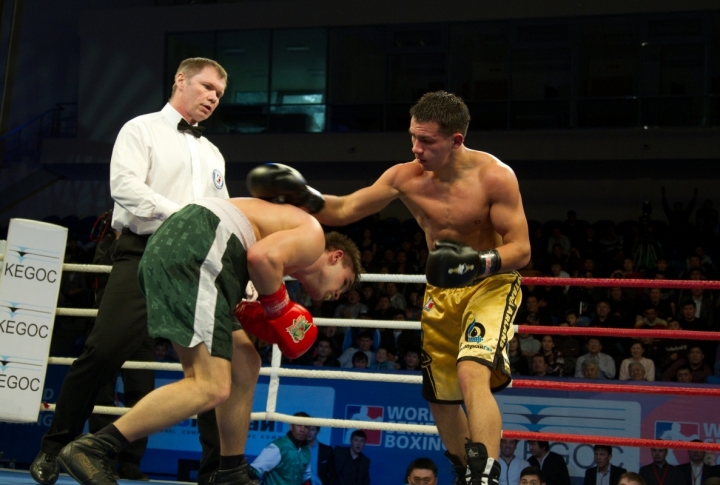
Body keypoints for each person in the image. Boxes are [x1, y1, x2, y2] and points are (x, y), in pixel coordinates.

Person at [251, 91, 530, 484]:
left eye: (427, 141)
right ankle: (463, 471)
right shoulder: (405, 177)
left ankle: (485, 475)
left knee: (471, 372)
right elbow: (345, 209)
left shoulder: (495, 177)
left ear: (456, 140)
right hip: (441, 291)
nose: (416, 149)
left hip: (489, 283)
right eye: (413, 138)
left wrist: (478, 261)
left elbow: (521, 249)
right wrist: (303, 195)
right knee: (441, 398)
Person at [55, 197, 361, 485]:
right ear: (336, 257)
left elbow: (256, 262)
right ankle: (95, 447)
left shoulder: (283, 253)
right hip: (202, 245)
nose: (337, 295)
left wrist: (259, 307)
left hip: (192, 249)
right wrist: (277, 308)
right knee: (210, 384)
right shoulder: (314, 236)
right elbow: (260, 257)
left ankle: (231, 470)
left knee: (246, 363)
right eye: (343, 282)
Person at [29, 57, 230, 485]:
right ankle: (55, 448)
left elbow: (222, 214)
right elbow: (123, 186)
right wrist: (184, 218)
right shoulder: (141, 129)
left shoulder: (213, 153)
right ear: (181, 81)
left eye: (219, 93)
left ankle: (216, 471)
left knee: (212, 369)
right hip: (143, 252)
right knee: (103, 351)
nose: (213, 97)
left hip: (194, 267)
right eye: (207, 86)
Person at [249, 412, 312, 485]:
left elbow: (306, 479)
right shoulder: (278, 447)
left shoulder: (306, 451)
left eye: (306, 427)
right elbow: (253, 471)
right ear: (291, 427)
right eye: (299, 425)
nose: (302, 430)